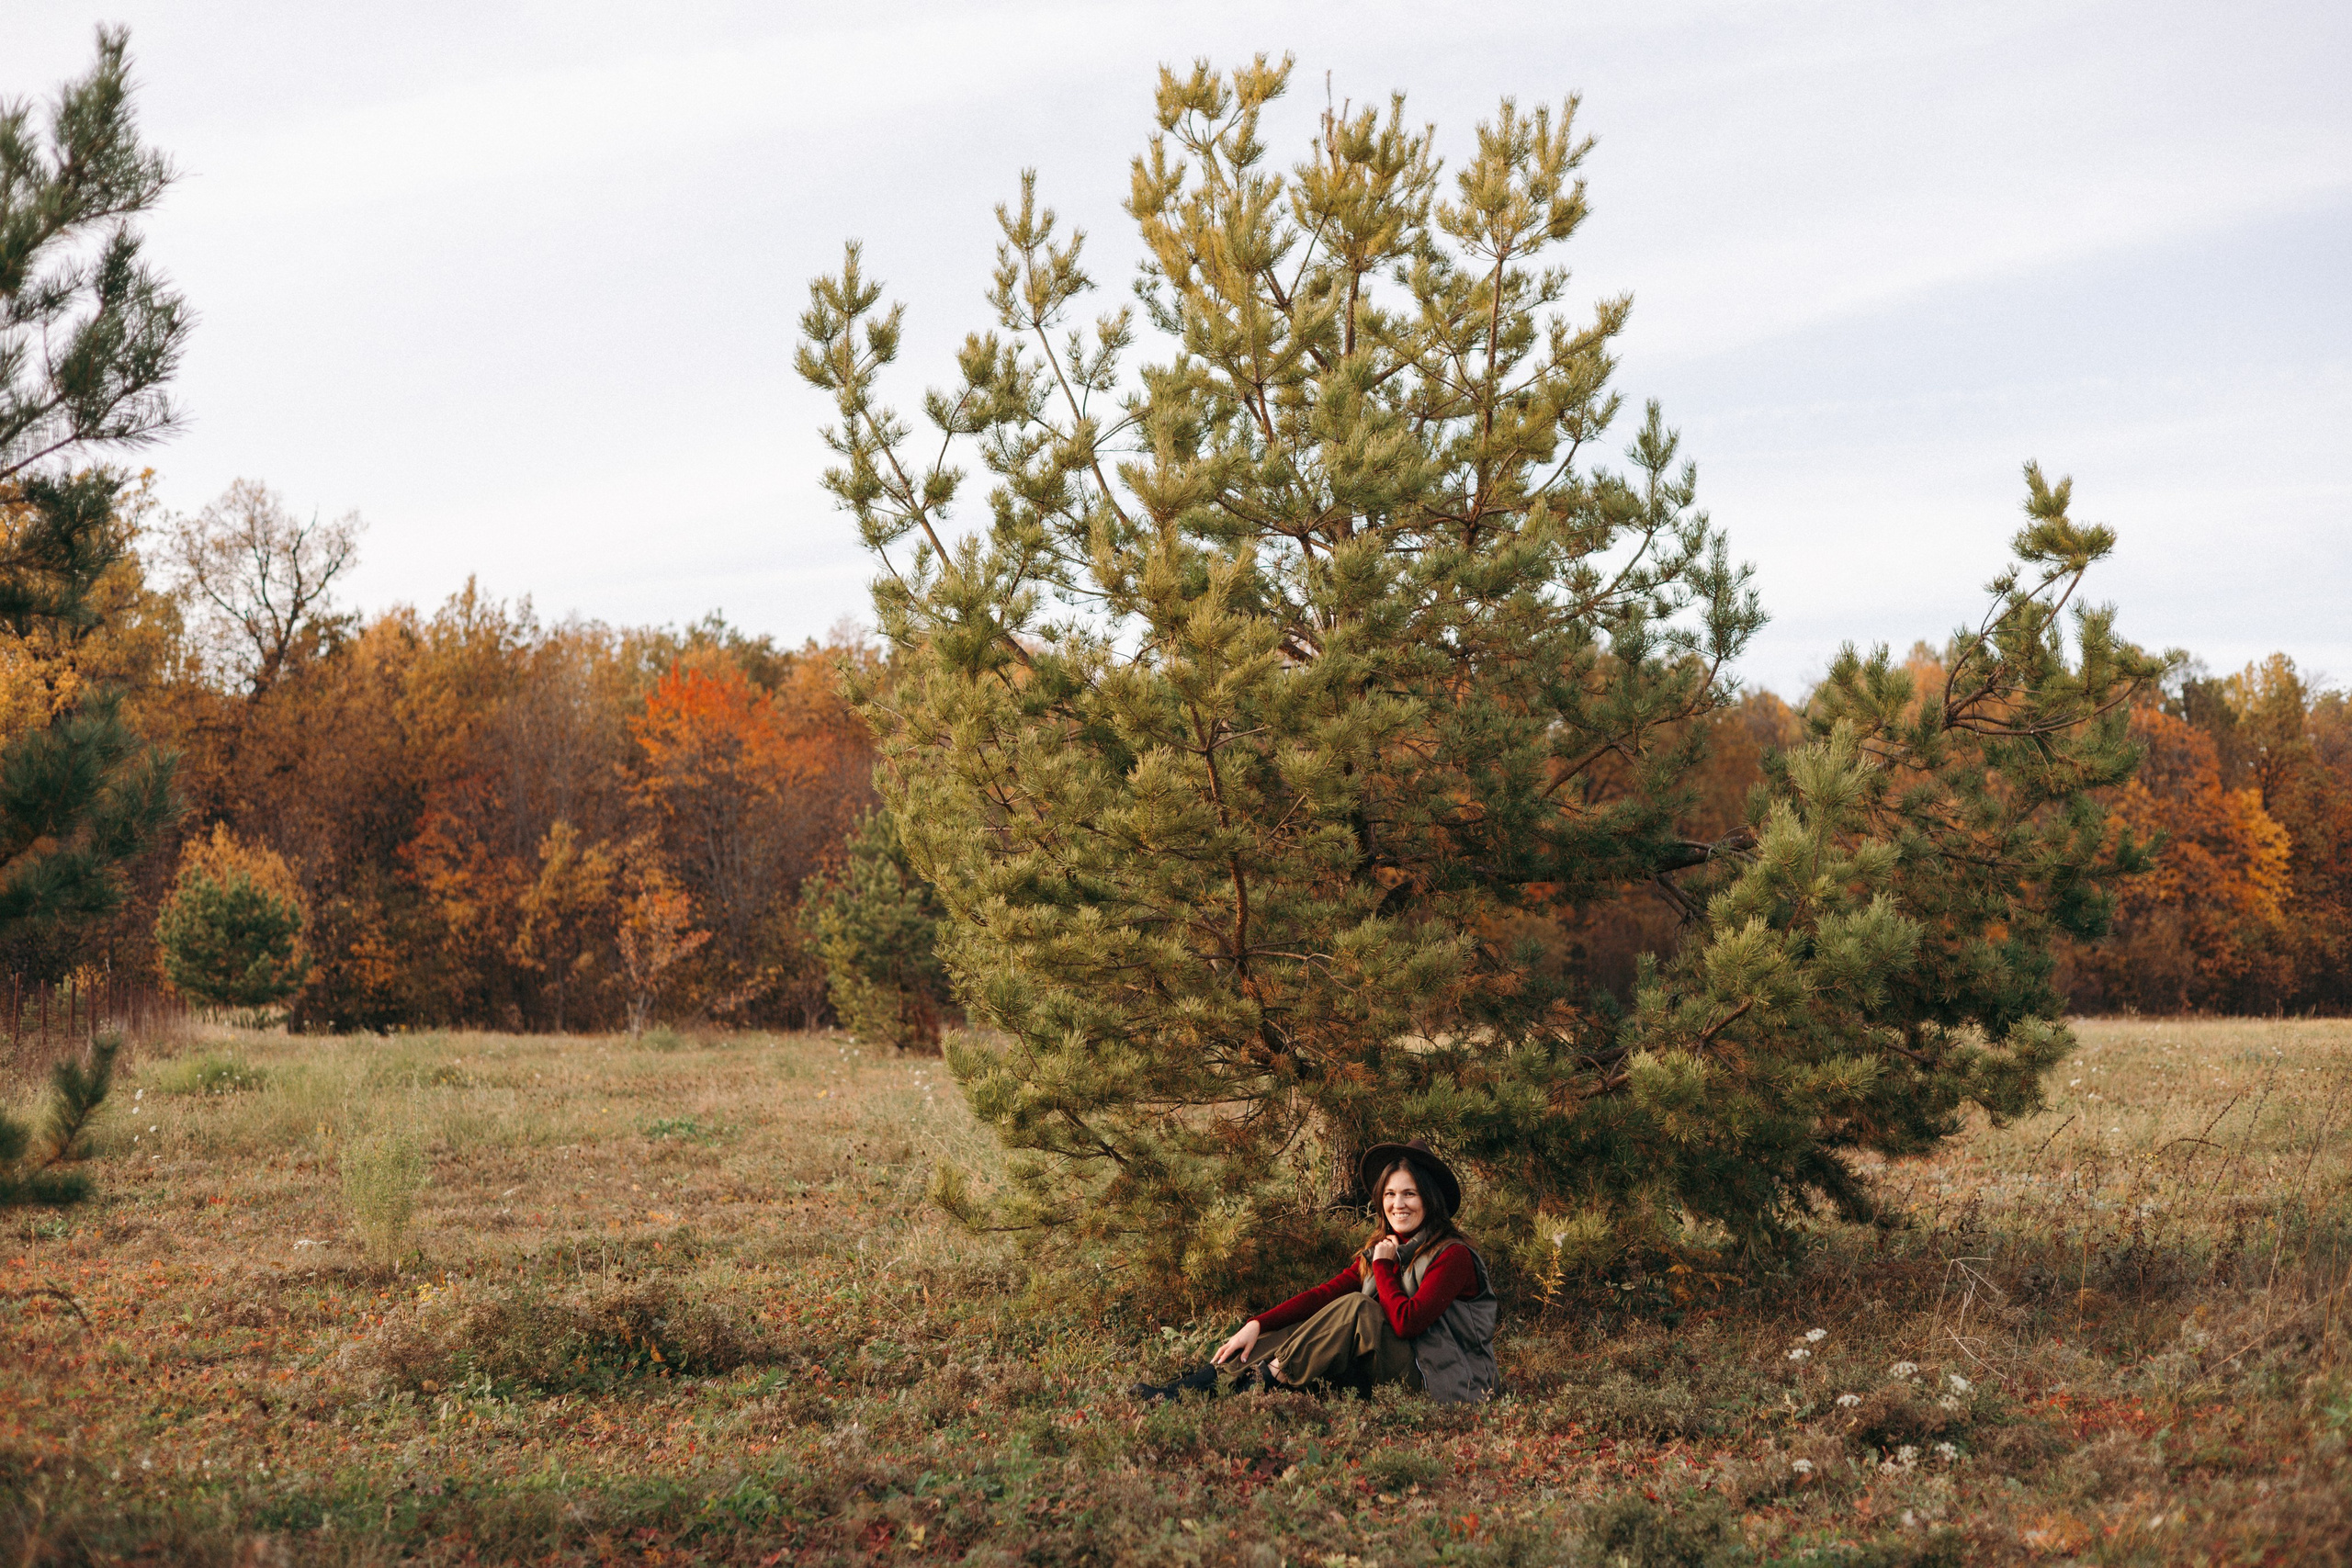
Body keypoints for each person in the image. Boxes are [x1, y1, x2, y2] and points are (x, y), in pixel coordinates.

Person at [1133, 1138, 1498, 1405]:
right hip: (1393, 1370)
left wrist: (1384, 1267)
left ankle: (1262, 1383)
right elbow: (1324, 1295)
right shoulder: (1386, 1246)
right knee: (1308, 1321)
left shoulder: (1452, 1256)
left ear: (1429, 1199)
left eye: (1410, 1194)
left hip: (1440, 1381)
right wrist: (1258, 1324)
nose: (1397, 1204)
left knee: (1358, 1308)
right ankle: (1187, 1389)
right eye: (1389, 1194)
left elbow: (1407, 1323)